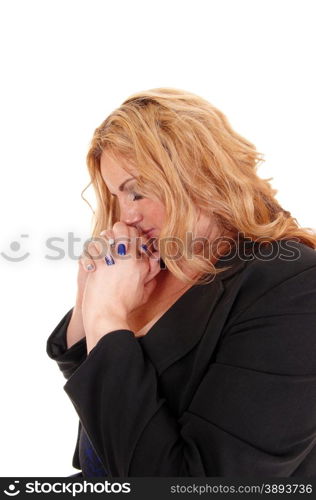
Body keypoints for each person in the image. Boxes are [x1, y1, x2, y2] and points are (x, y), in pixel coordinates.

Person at [47, 88, 316, 478]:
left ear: (198, 173)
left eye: (137, 190)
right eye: (116, 196)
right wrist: (89, 293)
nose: (127, 214)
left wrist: (106, 314)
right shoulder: (160, 265)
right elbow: (106, 403)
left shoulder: (295, 286)